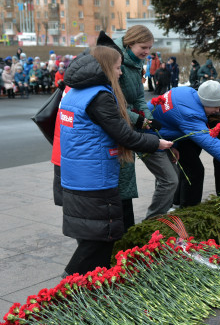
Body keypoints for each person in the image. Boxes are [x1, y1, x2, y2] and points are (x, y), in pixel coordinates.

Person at [59, 46, 164, 277]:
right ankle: (69, 283)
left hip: (77, 174)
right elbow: (123, 135)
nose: (120, 73)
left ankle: (92, 283)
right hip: (95, 176)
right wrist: (156, 143)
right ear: (106, 67)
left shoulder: (76, 91)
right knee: (103, 236)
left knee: (91, 234)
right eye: (117, 68)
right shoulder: (99, 96)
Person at [147, 80, 220, 209]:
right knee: (170, 180)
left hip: (163, 139)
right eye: (216, 107)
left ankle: (174, 209)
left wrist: (174, 145)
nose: (218, 111)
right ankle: (169, 215)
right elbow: (213, 145)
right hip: (149, 139)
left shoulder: (188, 92)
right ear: (207, 102)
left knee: (174, 177)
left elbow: (171, 120)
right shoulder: (191, 114)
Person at [113, 25, 161, 232]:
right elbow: (113, 102)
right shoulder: (117, 62)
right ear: (130, 43)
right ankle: (121, 231)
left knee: (126, 178)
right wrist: (137, 119)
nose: (147, 52)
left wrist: (147, 117)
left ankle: (127, 229)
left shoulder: (136, 63)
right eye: (144, 47)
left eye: (150, 48)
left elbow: (139, 97)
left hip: (130, 123)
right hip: (119, 126)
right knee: (122, 178)